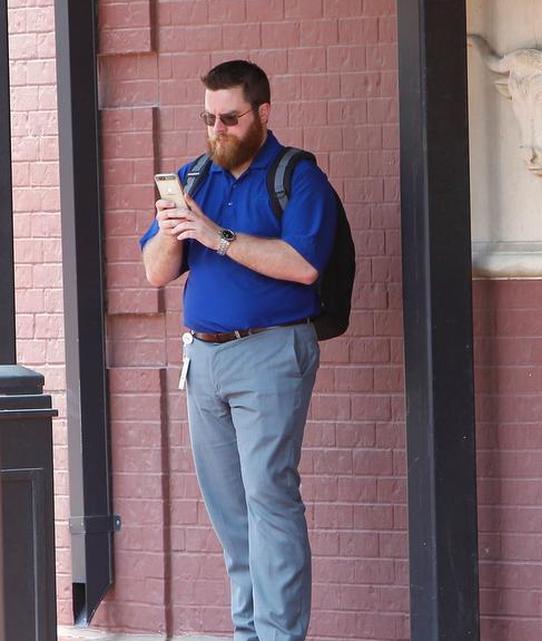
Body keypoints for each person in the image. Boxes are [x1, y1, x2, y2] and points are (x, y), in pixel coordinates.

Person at [140, 59, 337, 641]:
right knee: (230, 512)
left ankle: (279, 635)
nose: (217, 129)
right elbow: (154, 274)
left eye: (229, 118)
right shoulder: (194, 177)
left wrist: (216, 236)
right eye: (208, 118)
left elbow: (302, 266)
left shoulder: (297, 176)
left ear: (262, 113)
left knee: (269, 498)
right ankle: (248, 632)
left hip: (272, 354)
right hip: (204, 360)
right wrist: (176, 231)